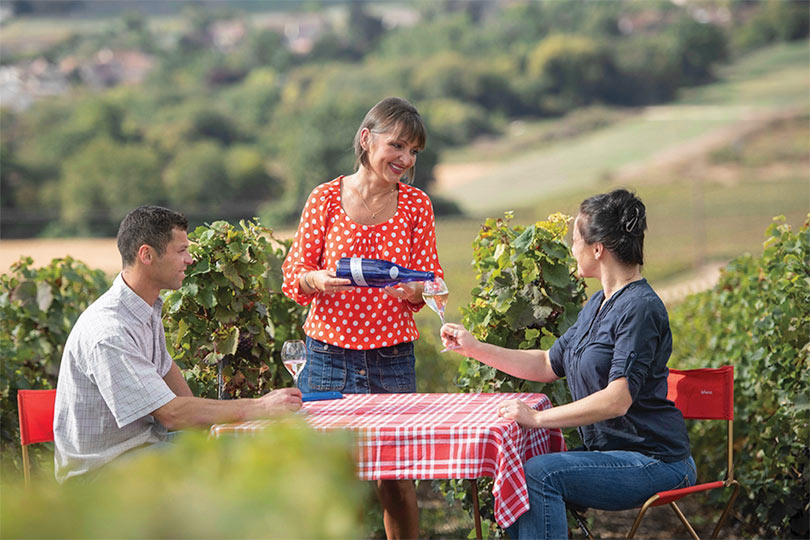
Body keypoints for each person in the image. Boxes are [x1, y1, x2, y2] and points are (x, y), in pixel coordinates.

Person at [440, 189, 696, 540]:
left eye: (575, 240)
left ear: (597, 248)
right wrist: (475, 348)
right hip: (614, 456)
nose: (571, 248)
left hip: (656, 461)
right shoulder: (598, 304)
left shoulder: (639, 308)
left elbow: (617, 399)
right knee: (523, 472)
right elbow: (547, 363)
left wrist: (538, 419)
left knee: (540, 473)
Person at [282, 96, 442, 539]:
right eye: (398, 146)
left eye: (414, 152)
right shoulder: (325, 199)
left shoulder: (416, 206)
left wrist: (417, 290)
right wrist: (317, 281)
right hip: (328, 358)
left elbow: (434, 280)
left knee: (396, 483)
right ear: (366, 139)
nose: (406, 159)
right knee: (334, 483)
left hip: (392, 359)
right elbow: (294, 275)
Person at [53, 205, 302, 483]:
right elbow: (171, 414)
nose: (190, 259)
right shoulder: (110, 332)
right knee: (237, 471)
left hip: (144, 453)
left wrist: (208, 429)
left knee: (245, 453)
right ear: (146, 255)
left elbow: (168, 375)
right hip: (102, 476)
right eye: (181, 251)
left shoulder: (142, 309)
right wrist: (259, 408)